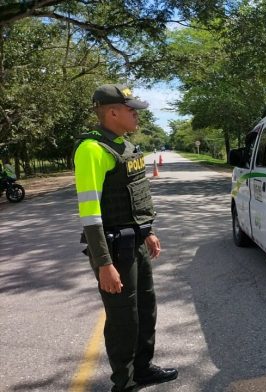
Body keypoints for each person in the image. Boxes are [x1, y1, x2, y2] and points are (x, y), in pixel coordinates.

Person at [73, 84, 178, 392]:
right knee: (123, 319)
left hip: (137, 242)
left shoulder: (126, 147)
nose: (136, 115)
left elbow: (137, 198)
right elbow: (90, 214)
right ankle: (125, 382)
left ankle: (143, 368)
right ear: (112, 112)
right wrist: (104, 263)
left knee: (146, 309)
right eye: (131, 110)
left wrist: (149, 232)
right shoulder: (92, 150)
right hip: (115, 248)